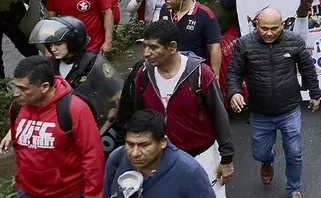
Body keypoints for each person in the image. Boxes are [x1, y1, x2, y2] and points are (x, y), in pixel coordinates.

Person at [118, 20, 234, 197]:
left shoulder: (200, 74)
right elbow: (141, 117)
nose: (146, 53)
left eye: (153, 47)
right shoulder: (143, 75)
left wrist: (226, 158)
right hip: (163, 158)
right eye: (145, 46)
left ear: (172, 47)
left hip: (202, 157)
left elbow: (220, 117)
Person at [228, 7, 321, 198]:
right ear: (256, 25)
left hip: (289, 109)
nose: (269, 33)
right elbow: (233, 73)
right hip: (259, 112)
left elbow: (307, 68)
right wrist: (235, 93)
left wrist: (315, 94)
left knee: (294, 152)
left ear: (283, 25)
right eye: (264, 28)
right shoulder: (244, 44)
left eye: (274, 28)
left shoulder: (294, 41)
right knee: (259, 153)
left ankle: (294, 187)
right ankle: (267, 161)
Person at [2, 56, 104, 198]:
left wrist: (93, 195)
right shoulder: (17, 107)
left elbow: (92, 156)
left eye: (23, 89)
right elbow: (20, 150)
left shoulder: (75, 109)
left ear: (44, 87)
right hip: (27, 192)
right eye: (16, 86)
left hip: (68, 194)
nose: (16, 94)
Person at [26, 16, 123, 139]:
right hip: (69, 128)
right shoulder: (51, 66)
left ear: (73, 42)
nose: (53, 49)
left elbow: (117, 95)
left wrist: (103, 129)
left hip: (101, 127)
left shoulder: (92, 63)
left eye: (58, 44)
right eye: (50, 45)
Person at [104, 110, 216, 198]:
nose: (134, 153)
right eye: (130, 144)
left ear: (163, 142)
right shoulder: (117, 158)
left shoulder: (190, 172)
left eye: (144, 145)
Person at [158, 0, 223, 75]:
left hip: (195, 71)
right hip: (169, 69)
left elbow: (215, 47)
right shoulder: (165, 10)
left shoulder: (204, 14)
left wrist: (215, 76)